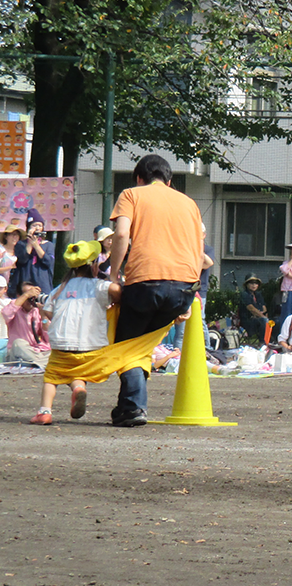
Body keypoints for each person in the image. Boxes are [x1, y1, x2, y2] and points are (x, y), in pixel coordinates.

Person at [107, 154, 205, 427]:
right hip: (184, 286)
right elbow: (199, 250)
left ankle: (133, 407)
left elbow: (122, 234)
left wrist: (113, 274)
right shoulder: (189, 203)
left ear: (139, 178)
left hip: (146, 281)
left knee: (128, 345)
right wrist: (191, 291)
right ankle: (127, 405)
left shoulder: (132, 194)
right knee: (144, 345)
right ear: (170, 180)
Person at [33, 240, 122, 425]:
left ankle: (44, 411)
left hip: (62, 343)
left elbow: (49, 312)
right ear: (95, 266)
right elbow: (114, 289)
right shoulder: (98, 286)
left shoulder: (61, 288)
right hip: (89, 345)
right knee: (78, 371)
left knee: (52, 376)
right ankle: (79, 388)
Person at [3, 281, 50, 368]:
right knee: (18, 343)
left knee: (56, 350)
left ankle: (37, 363)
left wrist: (44, 317)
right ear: (19, 295)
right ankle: (42, 363)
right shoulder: (15, 308)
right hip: (19, 351)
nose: (31, 298)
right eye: (29, 295)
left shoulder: (37, 311)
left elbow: (49, 338)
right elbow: (6, 313)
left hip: (37, 351)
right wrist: (26, 295)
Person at [8, 208, 54, 297]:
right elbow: (22, 260)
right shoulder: (21, 244)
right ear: (28, 227)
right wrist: (30, 243)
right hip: (25, 283)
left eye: (40, 225)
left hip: (43, 284)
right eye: (34, 225)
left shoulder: (48, 245)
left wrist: (36, 245)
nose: (37, 228)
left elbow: (49, 262)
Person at [238, 275, 268, 341]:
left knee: (275, 322)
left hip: (259, 319)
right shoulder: (244, 294)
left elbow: (264, 307)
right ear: (246, 284)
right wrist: (263, 317)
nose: (254, 285)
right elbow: (251, 309)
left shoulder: (258, 294)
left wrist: (266, 316)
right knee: (264, 321)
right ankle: (263, 342)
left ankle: (272, 341)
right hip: (248, 321)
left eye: (256, 283)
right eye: (251, 283)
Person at [1, 223, 23, 294]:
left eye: (16, 235)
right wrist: (11, 267)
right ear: (6, 237)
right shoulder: (1, 250)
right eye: (12, 234)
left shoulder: (20, 253)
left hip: (14, 289)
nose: (14, 237)